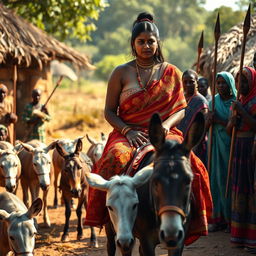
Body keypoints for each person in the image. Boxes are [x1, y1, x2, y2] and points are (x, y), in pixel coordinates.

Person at [84, 12, 212, 245]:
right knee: (113, 158)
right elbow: (109, 112)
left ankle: (195, 219)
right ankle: (105, 218)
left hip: (165, 132)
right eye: (141, 41)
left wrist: (165, 125)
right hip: (127, 133)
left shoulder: (171, 72)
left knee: (192, 163)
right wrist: (127, 131)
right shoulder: (120, 72)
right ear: (133, 44)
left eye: (151, 41)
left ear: (158, 43)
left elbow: (181, 109)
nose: (146, 46)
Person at [226, 67, 256, 252]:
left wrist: (242, 112)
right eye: (238, 82)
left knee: (252, 192)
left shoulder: (254, 101)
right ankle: (239, 237)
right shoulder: (237, 102)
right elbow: (230, 130)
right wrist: (232, 120)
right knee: (240, 190)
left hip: (252, 149)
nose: (240, 85)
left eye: (244, 81)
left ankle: (252, 240)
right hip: (238, 149)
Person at [206, 72, 237, 233]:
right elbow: (205, 127)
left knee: (228, 181)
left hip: (230, 148)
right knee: (216, 180)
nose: (220, 86)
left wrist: (218, 120)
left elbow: (234, 128)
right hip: (215, 148)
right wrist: (208, 120)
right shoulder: (213, 102)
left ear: (230, 84)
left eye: (223, 83)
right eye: (218, 83)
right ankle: (218, 220)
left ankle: (231, 219)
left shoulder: (236, 103)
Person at [177, 69, 209, 167]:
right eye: (185, 82)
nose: (188, 85)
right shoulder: (180, 99)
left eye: (191, 82)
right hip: (179, 143)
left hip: (196, 146)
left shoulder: (201, 102)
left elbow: (202, 129)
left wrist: (192, 146)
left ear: (197, 83)